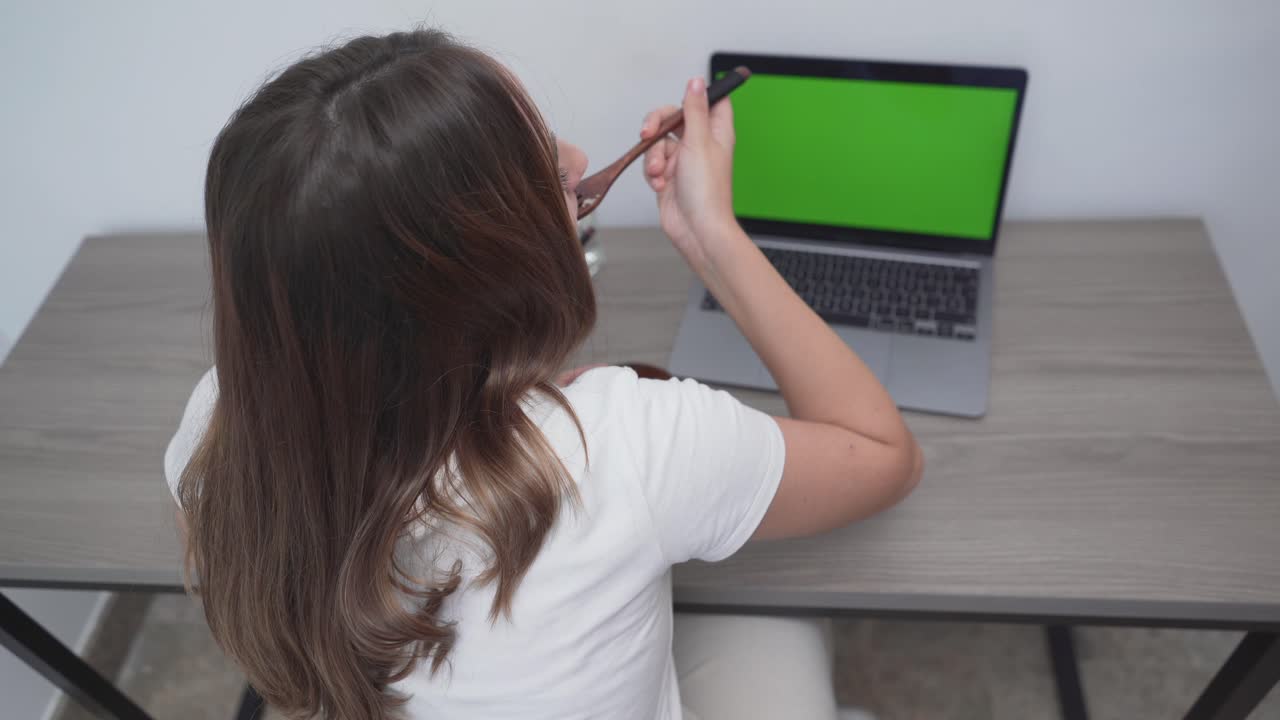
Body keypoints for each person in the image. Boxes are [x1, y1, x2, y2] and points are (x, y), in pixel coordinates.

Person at [163, 28, 923, 720]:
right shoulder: (623, 441)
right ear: (476, 271)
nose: (579, 161)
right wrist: (714, 236)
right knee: (780, 608)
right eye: (541, 168)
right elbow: (884, 455)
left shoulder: (217, 428)